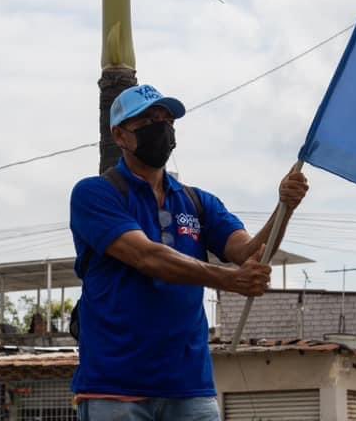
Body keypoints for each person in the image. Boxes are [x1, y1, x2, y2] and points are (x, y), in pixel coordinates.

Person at [69, 84, 309, 421]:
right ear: (120, 136)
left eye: (167, 120)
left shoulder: (198, 202)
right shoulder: (95, 194)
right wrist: (230, 280)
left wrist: (285, 206)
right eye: (148, 121)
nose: (161, 128)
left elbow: (249, 254)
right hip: (116, 388)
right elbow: (147, 257)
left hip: (189, 386)